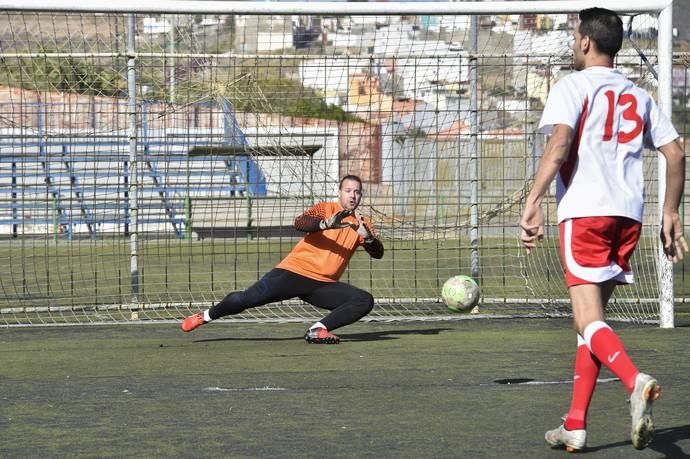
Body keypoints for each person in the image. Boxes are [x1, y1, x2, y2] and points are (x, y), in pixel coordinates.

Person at [519, 7, 687, 452]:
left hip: (586, 212)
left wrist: (533, 200)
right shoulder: (639, 95)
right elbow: (675, 154)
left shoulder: (572, 86)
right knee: (590, 326)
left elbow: (559, 144)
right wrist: (671, 211)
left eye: (576, 36)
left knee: (587, 319)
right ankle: (574, 423)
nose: (575, 42)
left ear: (585, 42)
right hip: (627, 217)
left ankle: (634, 380)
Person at [181, 174, 384, 344]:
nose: (353, 195)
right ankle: (206, 315)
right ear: (339, 192)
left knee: (364, 300)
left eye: (357, 192)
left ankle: (318, 330)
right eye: (348, 190)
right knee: (248, 299)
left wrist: (369, 238)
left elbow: (378, 253)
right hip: (293, 273)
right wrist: (325, 224)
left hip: (322, 285)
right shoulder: (325, 208)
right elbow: (300, 222)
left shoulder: (363, 224)